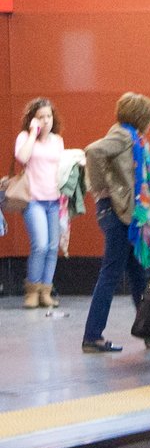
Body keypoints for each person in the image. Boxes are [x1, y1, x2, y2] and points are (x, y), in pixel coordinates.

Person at [81, 92, 150, 352]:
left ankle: (149, 331)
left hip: (128, 214)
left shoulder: (134, 138)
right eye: (148, 118)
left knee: (138, 274)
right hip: (118, 213)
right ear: (139, 117)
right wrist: (107, 190)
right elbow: (93, 152)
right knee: (111, 273)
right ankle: (92, 336)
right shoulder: (124, 136)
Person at [14, 97, 65, 310]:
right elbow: (22, 158)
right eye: (41, 117)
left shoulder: (57, 140)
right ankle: (32, 291)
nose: (46, 121)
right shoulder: (25, 137)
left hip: (55, 200)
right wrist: (33, 134)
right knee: (40, 245)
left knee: (53, 247)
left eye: (49, 116)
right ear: (33, 119)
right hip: (34, 200)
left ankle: (45, 291)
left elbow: (62, 167)